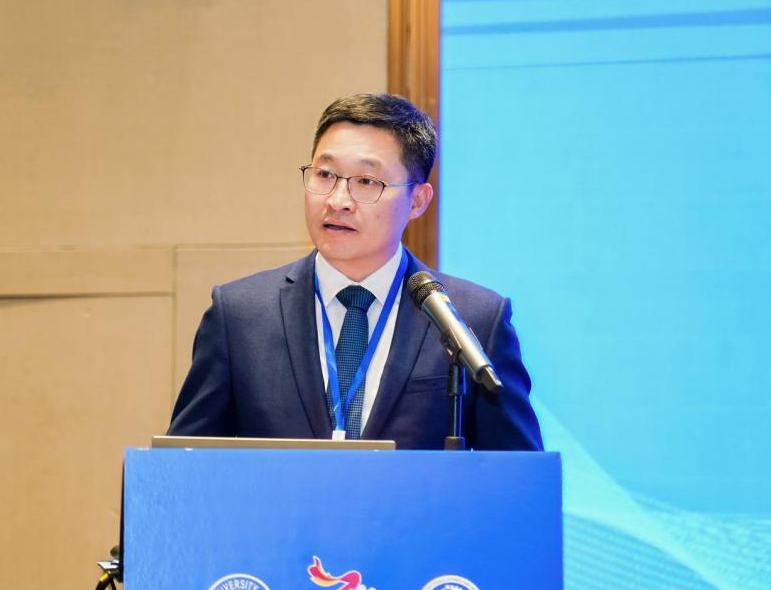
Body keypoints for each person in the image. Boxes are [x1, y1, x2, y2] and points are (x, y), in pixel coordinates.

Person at [168, 93, 542, 450]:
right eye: (325, 174)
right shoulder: (239, 317)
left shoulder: (475, 319)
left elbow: (521, 480)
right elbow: (181, 469)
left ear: (417, 201)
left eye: (366, 182)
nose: (338, 200)